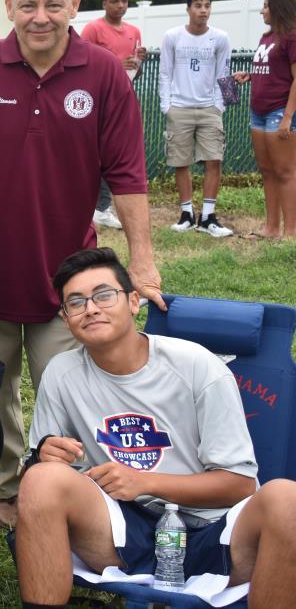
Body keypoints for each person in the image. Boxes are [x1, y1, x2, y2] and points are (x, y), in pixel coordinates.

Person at [0, 0, 163, 527]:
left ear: (75, 4)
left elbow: (129, 176)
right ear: (8, 7)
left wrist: (143, 264)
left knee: (77, 389)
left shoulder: (105, 74)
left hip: (70, 279)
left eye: (53, 5)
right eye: (29, 5)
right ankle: (6, 496)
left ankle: (78, 498)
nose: (40, 17)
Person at [15, 247, 296, 608]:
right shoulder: (61, 373)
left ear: (133, 301)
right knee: (42, 479)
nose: (91, 308)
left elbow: (240, 484)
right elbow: (37, 478)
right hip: (122, 531)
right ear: (66, 318)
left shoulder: (198, 366)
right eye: (76, 302)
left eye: (104, 295)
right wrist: (43, 456)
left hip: (215, 532)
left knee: (287, 500)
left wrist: (143, 482)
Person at [158, 0, 234, 237]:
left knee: (214, 160)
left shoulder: (221, 38)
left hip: (209, 109)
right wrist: (166, 106)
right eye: (198, 6)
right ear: (188, 8)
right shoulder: (172, 36)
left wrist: (219, 106)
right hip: (178, 108)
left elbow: (223, 73)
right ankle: (187, 214)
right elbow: (165, 73)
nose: (203, 11)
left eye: (207, 6)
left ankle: (208, 218)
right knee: (181, 161)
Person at [81, 0, 149, 231]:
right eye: (115, 1)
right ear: (104, 4)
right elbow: (82, 64)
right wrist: (115, 67)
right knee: (90, 155)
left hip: (124, 100)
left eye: (124, 1)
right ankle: (87, 207)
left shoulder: (134, 31)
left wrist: (138, 63)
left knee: (116, 154)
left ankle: (102, 208)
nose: (121, 5)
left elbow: (134, 73)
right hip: (96, 101)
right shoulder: (93, 29)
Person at [233, 0, 296, 239]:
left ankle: (291, 233)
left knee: (285, 172)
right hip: (258, 112)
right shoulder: (267, 37)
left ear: (279, 8)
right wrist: (250, 76)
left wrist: (288, 117)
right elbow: (272, 69)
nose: (262, 10)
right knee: (267, 171)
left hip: (280, 112)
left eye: (266, 6)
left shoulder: (292, 37)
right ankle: (271, 229)